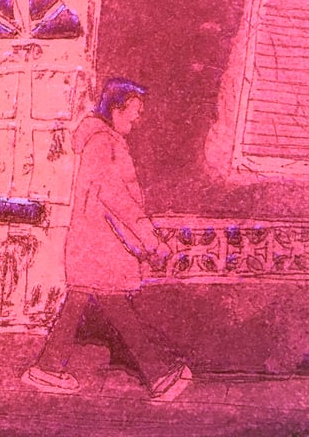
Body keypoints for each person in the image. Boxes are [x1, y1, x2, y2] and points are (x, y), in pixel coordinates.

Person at [21, 78, 192, 401]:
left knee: (87, 303)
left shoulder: (104, 140)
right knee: (117, 310)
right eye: (135, 111)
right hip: (101, 245)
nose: (138, 118)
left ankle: (47, 368)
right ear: (116, 109)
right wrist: (150, 239)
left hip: (97, 244)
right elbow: (115, 196)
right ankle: (160, 376)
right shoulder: (103, 142)